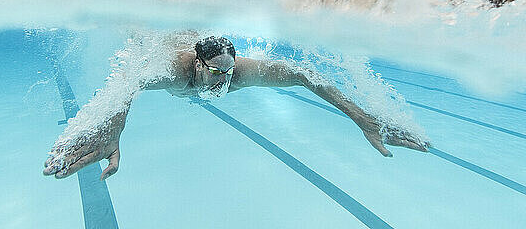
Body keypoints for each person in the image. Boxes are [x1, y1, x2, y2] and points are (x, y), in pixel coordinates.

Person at [44, 36, 429, 180]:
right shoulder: (175, 73)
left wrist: (363, 118)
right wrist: (115, 128)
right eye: (215, 73)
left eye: (229, 74)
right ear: (198, 64)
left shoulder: (235, 73)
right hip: (156, 41)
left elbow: (304, 74)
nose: (223, 83)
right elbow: (129, 80)